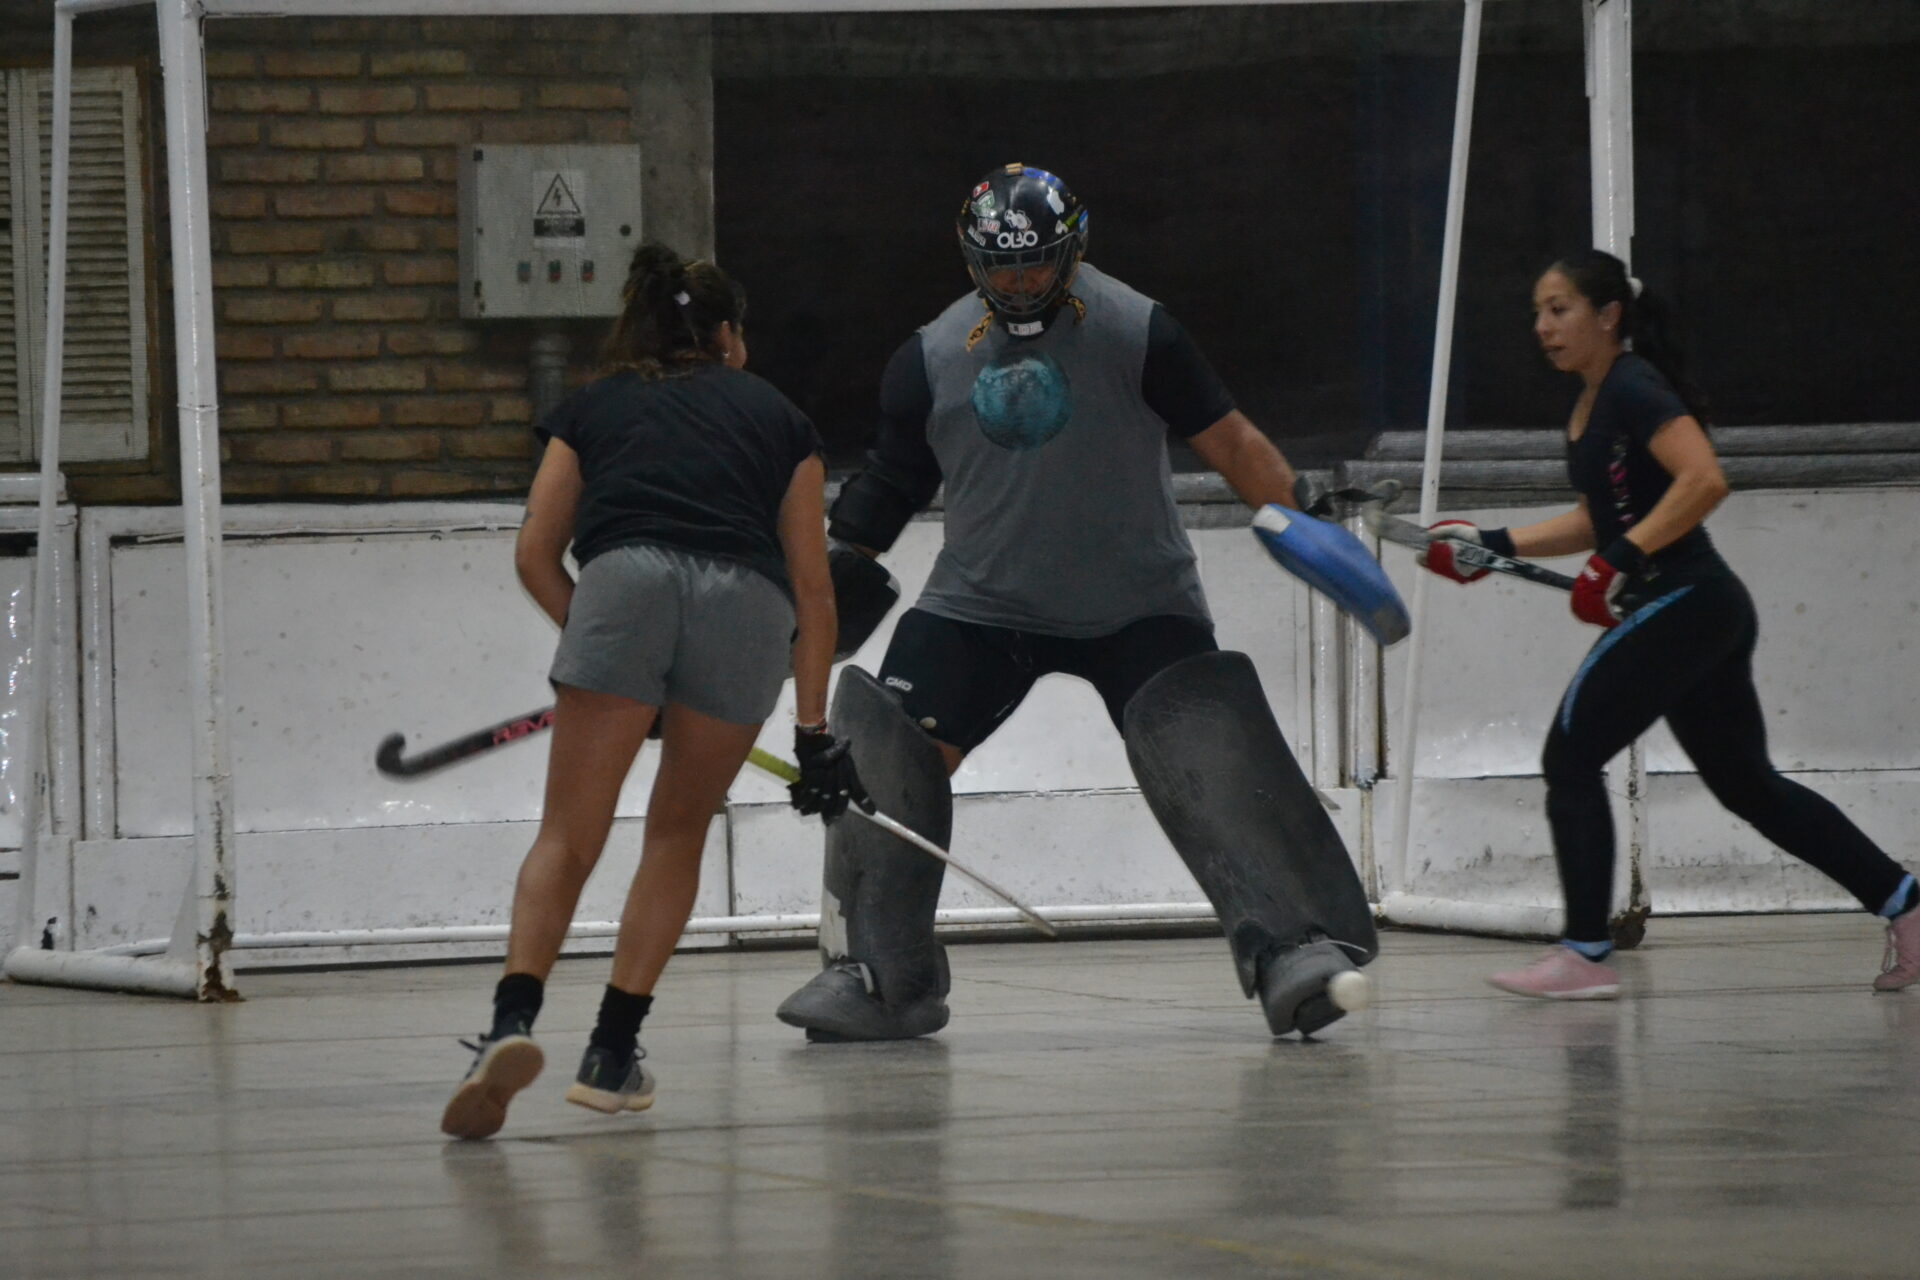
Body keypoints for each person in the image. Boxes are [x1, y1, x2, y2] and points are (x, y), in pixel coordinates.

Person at [775, 164, 1380, 1045]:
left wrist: (1302, 522)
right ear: (972, 260)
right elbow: (892, 483)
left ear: (1073, 250)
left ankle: (1296, 948)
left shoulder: (1140, 331)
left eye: (1035, 263)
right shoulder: (931, 355)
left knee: (1204, 743)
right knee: (883, 751)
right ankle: (876, 978)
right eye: (1001, 266)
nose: (1020, 282)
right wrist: (823, 586)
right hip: (981, 603)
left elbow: (1233, 441)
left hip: (1138, 601)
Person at [441, 245, 868, 1140]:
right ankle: (610, 1053)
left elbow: (534, 553)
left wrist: (603, 652)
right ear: (726, 335)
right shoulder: (780, 418)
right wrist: (813, 734)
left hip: (622, 588)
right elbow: (814, 589)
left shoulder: (593, 405)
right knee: (676, 833)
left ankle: (512, 1023)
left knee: (568, 835)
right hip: (745, 607)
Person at [1418, 248, 1920, 999]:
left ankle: (1584, 954)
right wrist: (1491, 546)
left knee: (1569, 757)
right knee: (1749, 787)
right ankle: (1908, 907)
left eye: (1559, 309)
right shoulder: (1593, 402)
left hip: (1687, 601)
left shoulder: (1634, 386)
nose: (1542, 326)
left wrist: (1619, 559)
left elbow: (1705, 479)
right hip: (1695, 610)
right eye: (1538, 313)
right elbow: (1600, 519)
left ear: (1608, 315)